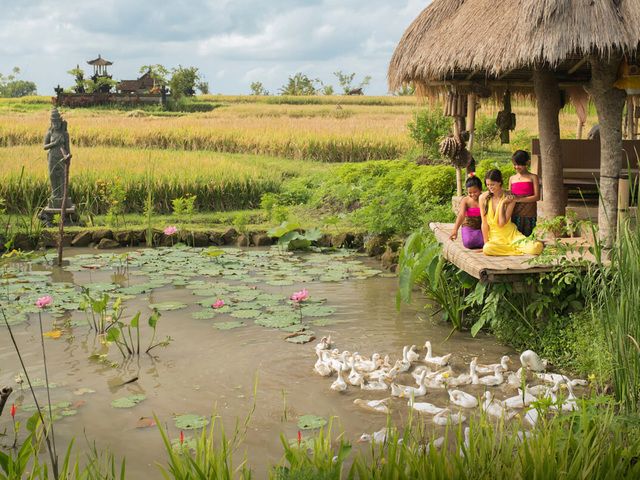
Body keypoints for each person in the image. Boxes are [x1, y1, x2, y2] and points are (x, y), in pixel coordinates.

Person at [480, 169, 543, 256]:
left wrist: (502, 204)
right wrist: (485, 243)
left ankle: (514, 246)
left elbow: (501, 223)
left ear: (500, 182)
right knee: (487, 249)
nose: (490, 187)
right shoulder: (483, 198)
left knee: (535, 248)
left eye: (492, 184)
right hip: (495, 238)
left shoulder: (509, 196)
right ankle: (515, 247)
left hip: (511, 235)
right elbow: (484, 223)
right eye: (488, 185)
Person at [43, 108, 71, 209]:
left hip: (62, 158)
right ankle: (55, 195)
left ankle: (63, 196)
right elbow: (45, 147)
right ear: (51, 122)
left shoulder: (65, 134)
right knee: (53, 176)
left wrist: (68, 158)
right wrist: (54, 144)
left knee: (63, 177)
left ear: (61, 122)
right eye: (54, 122)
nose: (56, 124)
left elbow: (68, 148)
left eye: (58, 122)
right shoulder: (49, 133)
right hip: (52, 157)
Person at [508, 150, 539, 236]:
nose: (516, 167)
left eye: (519, 164)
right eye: (514, 164)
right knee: (515, 237)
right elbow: (510, 195)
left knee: (527, 238)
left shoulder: (533, 177)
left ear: (526, 163)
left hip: (529, 212)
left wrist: (519, 199)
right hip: (515, 212)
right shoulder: (512, 178)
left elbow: (537, 197)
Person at [449, 174, 484, 249]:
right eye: (470, 192)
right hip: (469, 228)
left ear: (481, 189)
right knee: (469, 243)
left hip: (482, 228)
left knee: (489, 240)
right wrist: (455, 230)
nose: (472, 194)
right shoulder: (465, 200)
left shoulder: (484, 198)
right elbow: (461, 215)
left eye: (475, 192)